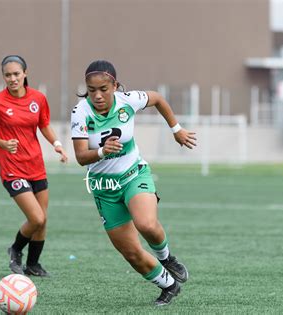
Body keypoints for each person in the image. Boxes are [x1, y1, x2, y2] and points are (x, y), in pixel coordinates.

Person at [71, 60, 196, 306]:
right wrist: (101, 152)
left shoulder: (129, 100)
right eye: (91, 89)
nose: (97, 95)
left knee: (146, 224)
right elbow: (80, 156)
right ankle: (169, 286)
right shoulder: (80, 112)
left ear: (115, 86)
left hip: (133, 174)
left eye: (103, 89)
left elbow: (158, 99)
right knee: (131, 253)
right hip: (104, 189)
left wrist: (176, 129)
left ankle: (167, 257)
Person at [0, 55, 68, 277]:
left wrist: (57, 144)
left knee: (43, 219)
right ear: (3, 77)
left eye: (16, 74)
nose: (12, 78)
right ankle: (15, 249)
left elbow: (44, 124)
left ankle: (33, 265)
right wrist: (1, 142)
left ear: (25, 73)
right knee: (36, 218)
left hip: (36, 165)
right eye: (8, 75)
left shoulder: (38, 98)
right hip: (12, 168)